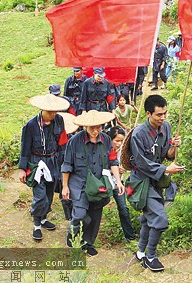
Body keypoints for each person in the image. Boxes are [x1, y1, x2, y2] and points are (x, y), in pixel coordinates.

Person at [129, 94, 184, 272]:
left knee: (148, 220)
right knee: (160, 219)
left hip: (157, 181)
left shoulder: (166, 127)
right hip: (141, 181)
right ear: (148, 114)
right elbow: (140, 162)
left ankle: (140, 252)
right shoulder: (138, 134)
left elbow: (167, 154)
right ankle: (150, 256)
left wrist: (174, 146)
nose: (163, 118)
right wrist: (167, 170)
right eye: (159, 115)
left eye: (165, 113)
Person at [61, 110, 125, 256]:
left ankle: (88, 243)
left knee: (96, 215)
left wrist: (119, 181)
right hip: (80, 184)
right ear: (85, 127)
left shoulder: (106, 140)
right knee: (80, 214)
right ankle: (72, 235)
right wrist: (65, 186)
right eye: (92, 128)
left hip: (99, 184)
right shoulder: (75, 141)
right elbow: (66, 165)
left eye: (99, 127)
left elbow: (113, 161)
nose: (96, 131)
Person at [19, 94, 70, 241]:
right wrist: (23, 168)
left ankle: (43, 218)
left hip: (53, 161)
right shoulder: (31, 125)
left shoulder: (59, 120)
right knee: (40, 196)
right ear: (42, 110)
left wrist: (65, 164)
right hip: (37, 162)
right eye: (50, 112)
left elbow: (63, 143)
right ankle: (36, 225)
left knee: (49, 194)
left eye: (55, 111)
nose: (53, 114)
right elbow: (25, 147)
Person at [107, 126, 136, 241]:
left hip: (119, 184)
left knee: (123, 208)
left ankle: (130, 236)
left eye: (121, 141)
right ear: (110, 139)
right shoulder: (104, 150)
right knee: (95, 208)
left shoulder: (123, 152)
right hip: (104, 184)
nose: (119, 144)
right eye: (116, 141)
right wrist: (112, 171)